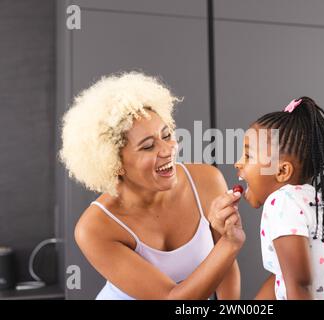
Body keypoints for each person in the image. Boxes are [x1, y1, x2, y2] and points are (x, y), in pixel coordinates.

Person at [59, 72, 244, 299]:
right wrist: (229, 243)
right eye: (148, 147)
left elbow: (224, 268)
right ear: (115, 163)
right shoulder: (94, 228)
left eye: (166, 135)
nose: (168, 150)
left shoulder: (207, 180)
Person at [216, 96, 324, 300]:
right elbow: (283, 277)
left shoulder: (281, 202)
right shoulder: (310, 198)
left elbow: (300, 284)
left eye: (248, 156)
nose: (237, 163)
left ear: (282, 171)